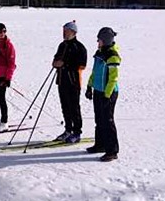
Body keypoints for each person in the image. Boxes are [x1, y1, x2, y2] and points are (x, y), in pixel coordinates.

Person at [84, 27, 121, 162]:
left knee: (108, 121)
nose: (97, 42)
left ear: (105, 40)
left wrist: (107, 95)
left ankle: (112, 151)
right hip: (98, 90)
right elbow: (95, 72)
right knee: (99, 119)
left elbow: (113, 79)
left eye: (99, 40)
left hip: (109, 93)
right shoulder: (99, 53)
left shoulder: (112, 56)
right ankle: (100, 145)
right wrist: (89, 86)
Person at [52, 20, 87, 143]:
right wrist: (56, 63)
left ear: (73, 32)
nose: (64, 33)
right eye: (63, 31)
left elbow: (82, 65)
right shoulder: (62, 45)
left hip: (73, 81)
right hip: (61, 80)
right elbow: (56, 59)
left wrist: (65, 64)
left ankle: (77, 132)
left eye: (66, 31)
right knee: (65, 106)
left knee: (74, 107)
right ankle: (68, 129)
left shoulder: (79, 47)